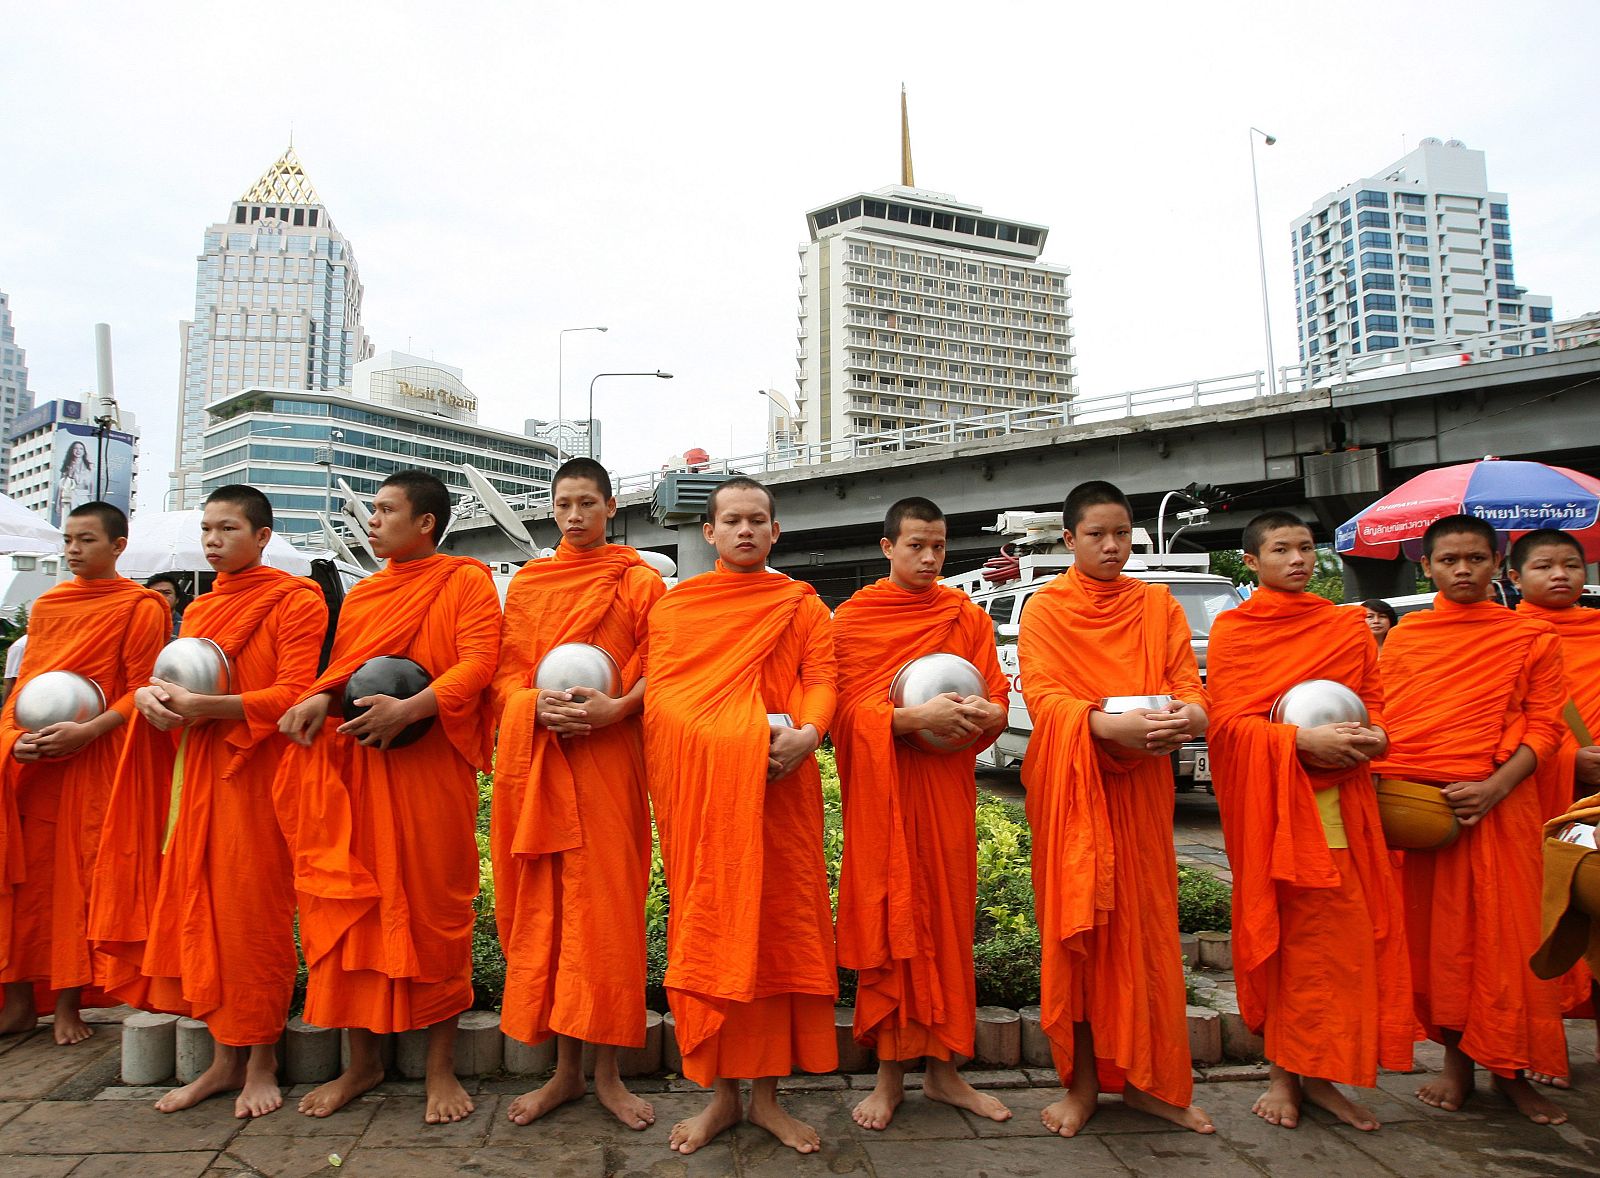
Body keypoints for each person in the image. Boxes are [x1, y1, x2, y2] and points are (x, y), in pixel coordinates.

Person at [89, 485, 328, 1117]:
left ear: (263, 537)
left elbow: (294, 695)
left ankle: (262, 1062)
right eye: (207, 531)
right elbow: (171, 685)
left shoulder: (295, 599)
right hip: (200, 779)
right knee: (205, 912)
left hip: (260, 777)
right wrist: (151, 701)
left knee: (253, 918)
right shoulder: (197, 613)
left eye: (227, 529)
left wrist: (210, 708)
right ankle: (224, 1062)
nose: (214, 541)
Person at [273, 471, 501, 1124]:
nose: (371, 521)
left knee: (433, 910)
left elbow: (478, 663)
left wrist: (412, 710)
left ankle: (439, 1070)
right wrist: (317, 699)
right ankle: (362, 1064)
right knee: (355, 913)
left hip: (429, 771)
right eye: (371, 510)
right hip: (362, 773)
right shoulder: (368, 596)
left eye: (384, 510)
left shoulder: (464, 581)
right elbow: (344, 672)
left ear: (425, 522)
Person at [644, 475, 838, 1155]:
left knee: (777, 933)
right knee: (715, 922)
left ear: (776, 531)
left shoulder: (802, 606)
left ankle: (767, 1100)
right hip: (709, 803)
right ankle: (721, 1099)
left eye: (758, 520)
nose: (746, 530)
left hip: (783, 791)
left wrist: (808, 735)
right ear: (710, 532)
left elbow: (822, 680)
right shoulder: (677, 610)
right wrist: (736, 738)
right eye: (733, 521)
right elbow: (664, 702)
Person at [1018, 480, 1213, 1138]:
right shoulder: (1046, 610)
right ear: (1068, 539)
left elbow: (1191, 692)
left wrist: (1184, 719)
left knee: (1147, 941)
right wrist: (1106, 728)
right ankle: (1080, 1086)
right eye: (1097, 535)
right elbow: (1045, 699)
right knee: (1079, 937)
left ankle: (1148, 1084)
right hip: (1075, 792)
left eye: (1122, 534)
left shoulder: (1157, 607)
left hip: (1142, 792)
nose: (1111, 546)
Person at [1207, 511, 1414, 1131]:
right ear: (1252, 561)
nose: (1297, 559)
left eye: (1305, 548)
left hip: (1342, 810)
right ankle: (1281, 1076)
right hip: (1274, 814)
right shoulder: (1235, 631)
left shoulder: (1346, 628)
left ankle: (1320, 1076)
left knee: (1341, 947)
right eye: (1280, 549)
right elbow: (1226, 726)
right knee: (1286, 941)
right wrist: (1296, 743)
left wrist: (1374, 739)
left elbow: (1377, 710)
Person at [1373, 513, 1569, 1122]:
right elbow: (1392, 723)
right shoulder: (1406, 639)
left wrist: (1494, 787)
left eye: (1476, 559)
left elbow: (1547, 726)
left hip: (1504, 808)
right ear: (1425, 567)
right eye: (1450, 560)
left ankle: (1512, 1070)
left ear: (1497, 567)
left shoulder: (1531, 638)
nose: (1463, 570)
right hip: (1428, 814)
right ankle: (1457, 1065)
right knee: (1444, 947)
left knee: (1507, 941)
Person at [492, 458, 665, 1131]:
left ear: (611, 507)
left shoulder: (639, 581)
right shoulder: (530, 584)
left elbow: (665, 667)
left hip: (609, 764)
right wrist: (534, 707)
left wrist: (617, 711)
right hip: (545, 762)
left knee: (605, 917)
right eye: (563, 504)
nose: (573, 516)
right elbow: (506, 677)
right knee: (552, 913)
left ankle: (608, 1075)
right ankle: (564, 1075)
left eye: (587, 503)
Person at [833, 496, 1012, 1131]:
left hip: (945, 791)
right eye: (916, 546)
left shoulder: (964, 616)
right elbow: (841, 717)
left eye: (939, 546)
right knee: (892, 924)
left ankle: (944, 1074)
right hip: (885, 798)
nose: (931, 558)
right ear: (888, 548)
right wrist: (911, 718)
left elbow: (995, 697)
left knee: (945, 924)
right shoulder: (854, 621)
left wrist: (989, 714)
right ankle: (888, 1078)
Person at [0, 502, 170, 1042]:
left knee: (81, 880)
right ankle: (20, 1001)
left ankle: (70, 1002)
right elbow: (24, 689)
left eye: (87, 540)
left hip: (97, 756)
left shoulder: (141, 607)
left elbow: (139, 688)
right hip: (39, 761)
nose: (74, 550)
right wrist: (11, 740)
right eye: (69, 539)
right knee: (26, 884)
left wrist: (89, 731)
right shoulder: (48, 607)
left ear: (118, 546)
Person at [1509, 527, 1600, 1086]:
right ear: (1514, 578)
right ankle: (1546, 1042)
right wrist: (1570, 758)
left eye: (1571, 564)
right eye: (1544, 566)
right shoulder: (1503, 638)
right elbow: (1500, 720)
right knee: (1540, 920)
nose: (1561, 575)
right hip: (1536, 798)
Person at [145, 574, 189, 641]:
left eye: (166, 593)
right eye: (155, 593)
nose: (161, 597)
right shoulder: (138, 625)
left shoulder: (186, 628)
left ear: (177, 599)